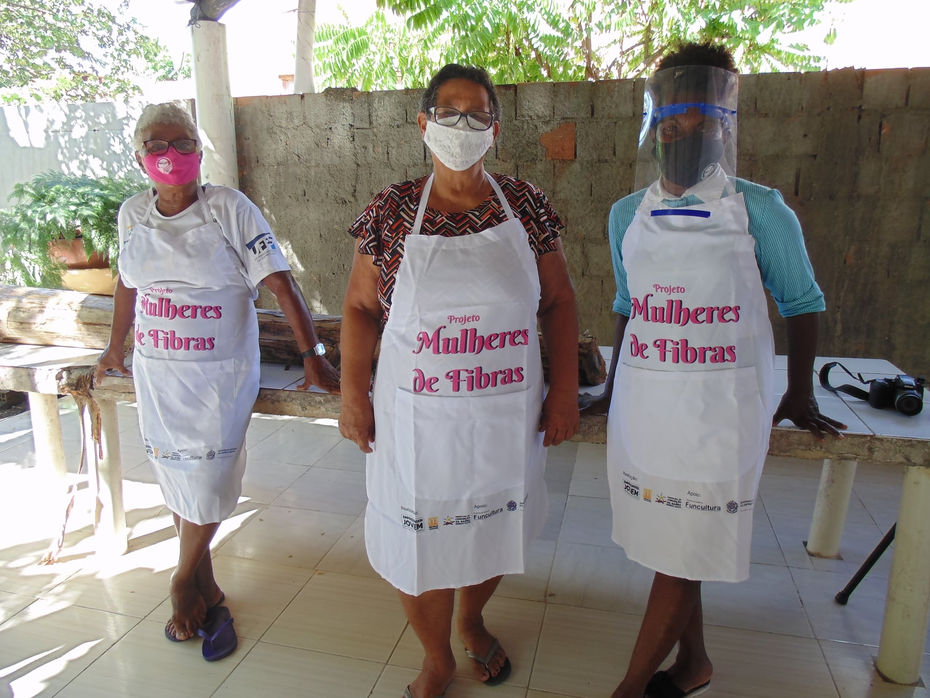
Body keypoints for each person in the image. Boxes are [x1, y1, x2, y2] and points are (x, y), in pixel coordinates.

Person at [584, 43, 846, 698]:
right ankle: (694, 662)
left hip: (722, 411)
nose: (678, 126)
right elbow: (628, 307)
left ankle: (628, 687)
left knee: (687, 540)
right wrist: (612, 389)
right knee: (672, 536)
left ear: (722, 120)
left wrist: (799, 387)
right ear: (654, 121)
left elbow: (802, 301)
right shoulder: (627, 214)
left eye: (694, 114)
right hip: (648, 404)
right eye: (667, 114)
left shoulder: (759, 211)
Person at [339, 64, 579, 698]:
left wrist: (562, 392)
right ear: (424, 124)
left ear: (495, 130)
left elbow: (558, 302)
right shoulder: (391, 212)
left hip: (504, 416)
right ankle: (435, 656)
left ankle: (471, 618)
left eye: (478, 116)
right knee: (416, 532)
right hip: (415, 422)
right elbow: (361, 309)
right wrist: (352, 394)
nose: (463, 127)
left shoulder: (525, 206)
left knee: (493, 523)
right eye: (450, 114)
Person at [95, 102, 340, 654]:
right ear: (139, 157)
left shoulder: (229, 207)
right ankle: (206, 581)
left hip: (219, 375)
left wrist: (313, 355)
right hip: (156, 371)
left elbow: (280, 283)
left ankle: (182, 580)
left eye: (181, 143)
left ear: (198, 153)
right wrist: (115, 348)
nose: (169, 154)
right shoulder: (133, 213)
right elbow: (127, 285)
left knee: (208, 478)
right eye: (156, 145)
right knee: (175, 478)